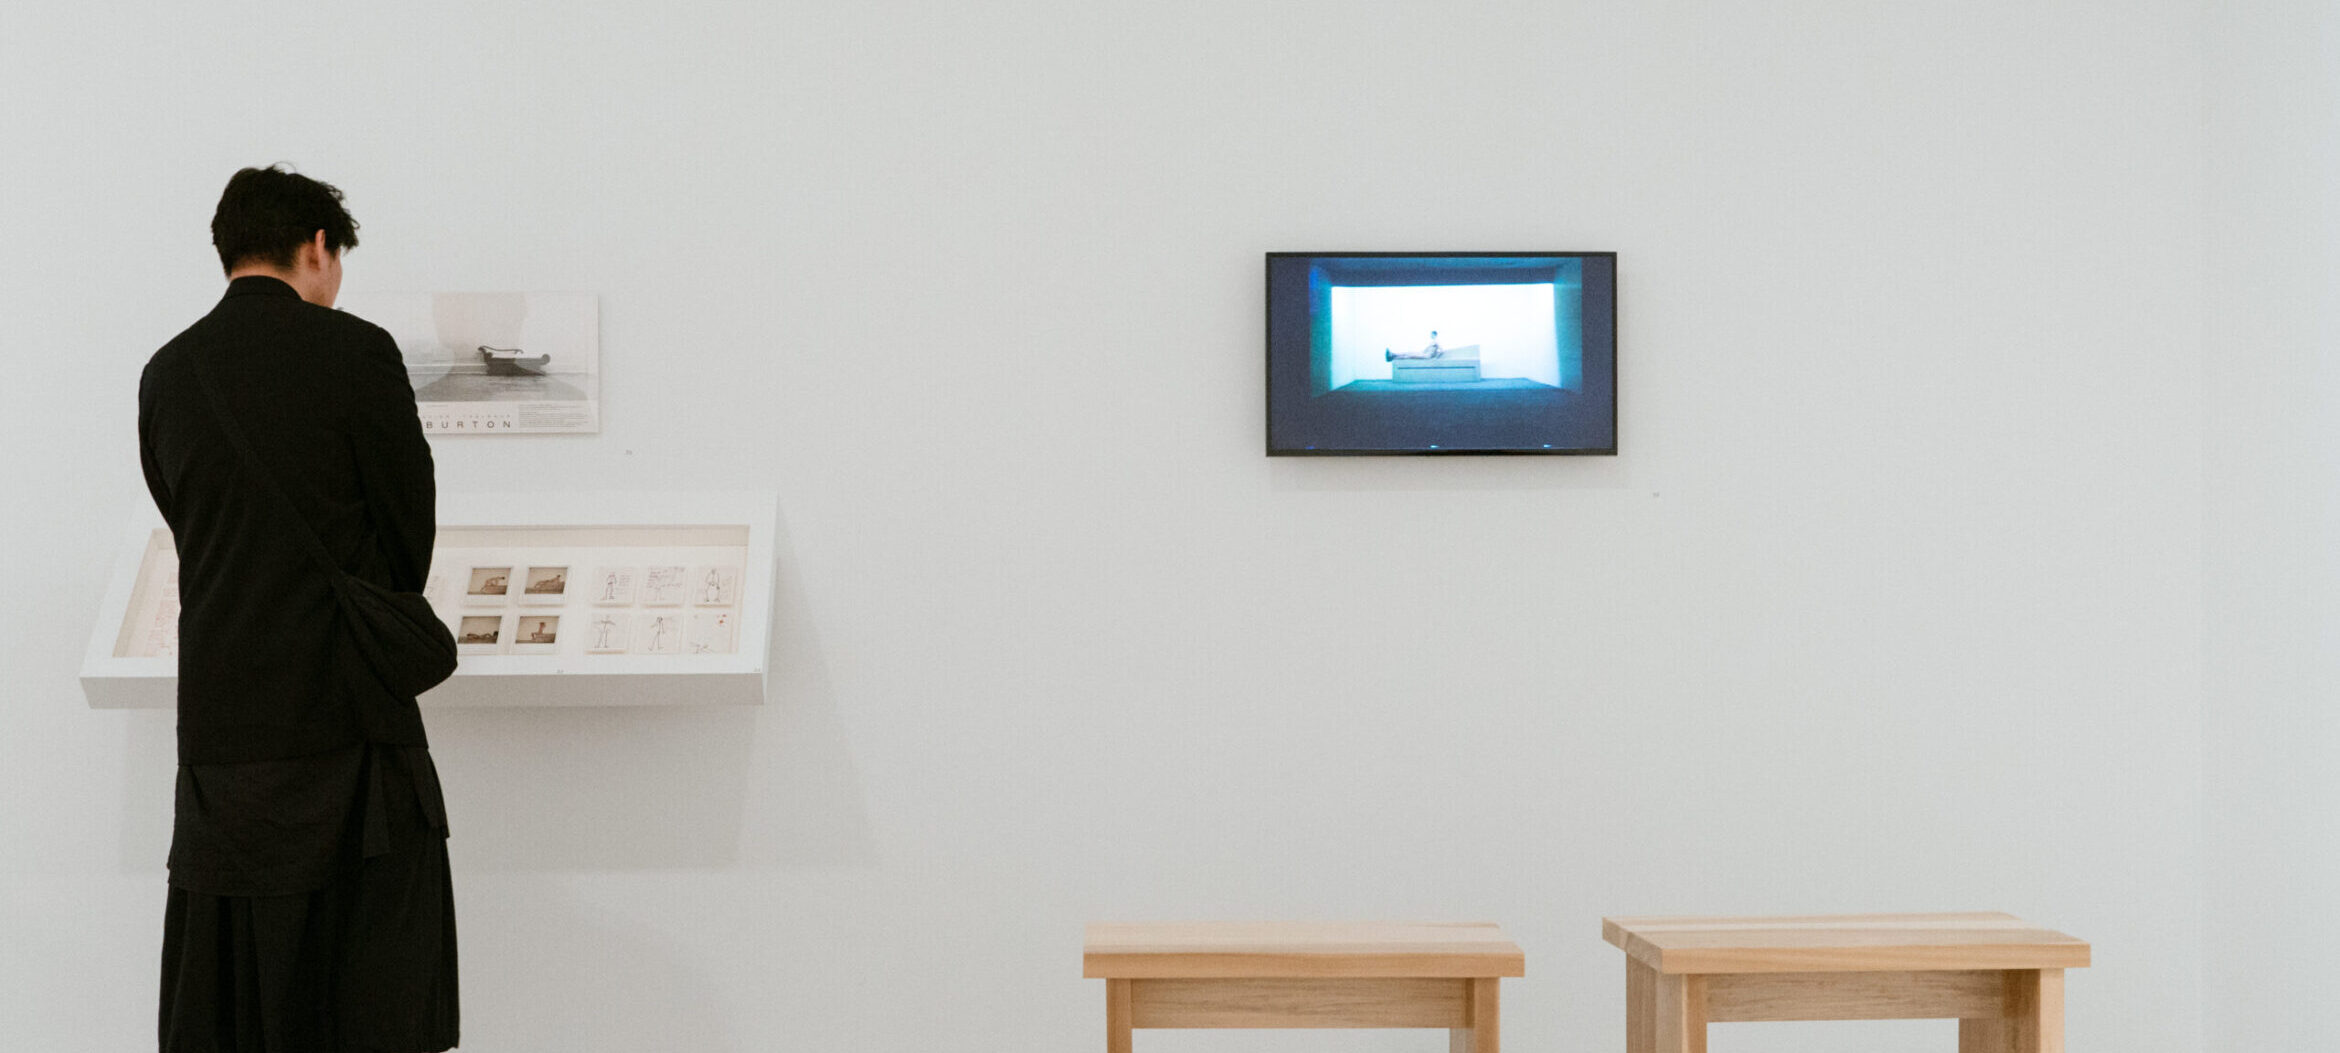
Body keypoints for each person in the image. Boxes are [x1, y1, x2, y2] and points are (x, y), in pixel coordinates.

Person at [138, 165, 458, 1053]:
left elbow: (183, 519)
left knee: (242, 1009)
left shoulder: (167, 375)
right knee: (368, 1000)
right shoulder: (357, 354)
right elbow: (406, 541)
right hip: (351, 733)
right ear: (316, 247)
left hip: (225, 742)